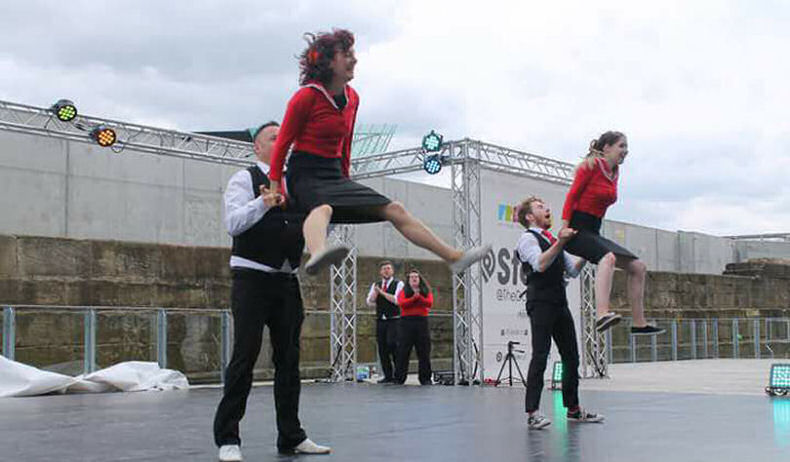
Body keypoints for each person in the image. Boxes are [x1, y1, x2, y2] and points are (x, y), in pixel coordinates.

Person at [266, 28, 489, 276]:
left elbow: (346, 144)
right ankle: (318, 252)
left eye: (354, 53)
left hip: (334, 173)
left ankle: (454, 257)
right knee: (323, 208)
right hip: (304, 173)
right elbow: (283, 142)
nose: (354, 59)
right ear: (328, 61)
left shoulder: (353, 98)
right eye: (346, 54)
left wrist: (345, 178)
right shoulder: (306, 97)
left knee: (395, 209)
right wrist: (276, 186)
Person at [213, 122, 330, 461]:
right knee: (244, 357)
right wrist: (262, 204)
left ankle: (291, 436)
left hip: (286, 281)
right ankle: (228, 439)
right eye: (273, 137)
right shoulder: (243, 179)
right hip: (251, 280)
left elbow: (315, 225)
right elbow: (233, 223)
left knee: (289, 361)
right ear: (258, 148)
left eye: (285, 138)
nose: (282, 142)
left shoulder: (298, 185)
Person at [560, 131, 664, 335]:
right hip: (576, 229)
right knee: (608, 258)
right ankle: (601, 314)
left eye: (626, 147)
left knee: (638, 267)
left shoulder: (615, 171)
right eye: (621, 146)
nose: (625, 151)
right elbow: (572, 196)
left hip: (593, 230)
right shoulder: (590, 166)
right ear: (606, 148)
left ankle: (639, 323)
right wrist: (564, 227)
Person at [515, 196, 604, 429]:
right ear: (529, 216)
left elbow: (573, 271)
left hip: (559, 302)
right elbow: (540, 264)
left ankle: (573, 409)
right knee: (540, 355)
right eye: (540, 207)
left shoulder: (552, 239)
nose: (547, 209)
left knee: (571, 357)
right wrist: (560, 243)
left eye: (546, 205)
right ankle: (533, 412)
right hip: (541, 302)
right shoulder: (527, 239)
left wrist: (589, 250)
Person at [366, 260, 404, 383]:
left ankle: (398, 375)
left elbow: (397, 300)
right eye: (384, 269)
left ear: (392, 271)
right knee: (382, 348)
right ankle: (388, 375)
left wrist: (382, 292)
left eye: (388, 268)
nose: (386, 271)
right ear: (380, 272)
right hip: (381, 320)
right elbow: (369, 302)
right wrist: (375, 294)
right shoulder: (376, 284)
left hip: (394, 320)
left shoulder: (399, 284)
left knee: (393, 345)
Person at [394, 269, 434, 385]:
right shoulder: (404, 291)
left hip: (421, 321)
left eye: (416, 277)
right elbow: (402, 303)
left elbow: (429, 303)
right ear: (408, 280)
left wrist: (419, 297)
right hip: (406, 322)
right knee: (403, 351)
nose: (414, 279)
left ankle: (425, 378)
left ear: (419, 279)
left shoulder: (425, 290)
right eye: (411, 277)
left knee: (424, 351)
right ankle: (399, 377)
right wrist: (414, 298)